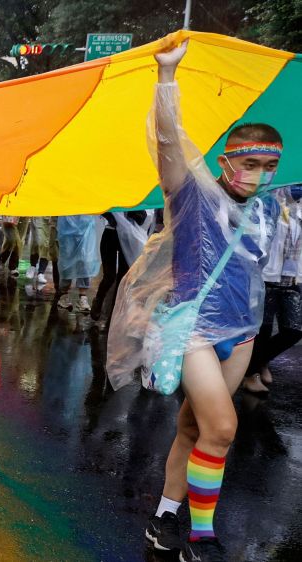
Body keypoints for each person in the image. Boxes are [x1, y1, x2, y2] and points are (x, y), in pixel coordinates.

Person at [108, 40, 284, 562]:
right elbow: (167, 142)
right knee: (224, 427)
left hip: (242, 333)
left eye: (266, 166)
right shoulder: (194, 194)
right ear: (228, 160)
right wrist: (167, 79)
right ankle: (201, 537)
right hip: (192, 332)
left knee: (195, 427)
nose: (256, 175)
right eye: (247, 163)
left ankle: (164, 516)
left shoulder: (270, 206)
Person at [244, 186, 302, 393]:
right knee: (263, 330)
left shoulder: (298, 210)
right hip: (266, 277)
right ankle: (250, 374)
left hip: (291, 279)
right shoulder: (268, 205)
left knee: (294, 330)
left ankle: (259, 361)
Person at [91, 211, 154, 328]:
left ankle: (113, 317)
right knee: (109, 276)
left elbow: (143, 218)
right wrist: (110, 215)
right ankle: (99, 300)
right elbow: (102, 207)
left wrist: (134, 213)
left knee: (122, 280)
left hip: (128, 238)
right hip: (110, 235)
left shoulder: (140, 197)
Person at [55, 214, 101, 313]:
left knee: (84, 260)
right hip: (66, 223)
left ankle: (83, 296)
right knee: (66, 260)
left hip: (86, 223)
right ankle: (63, 294)